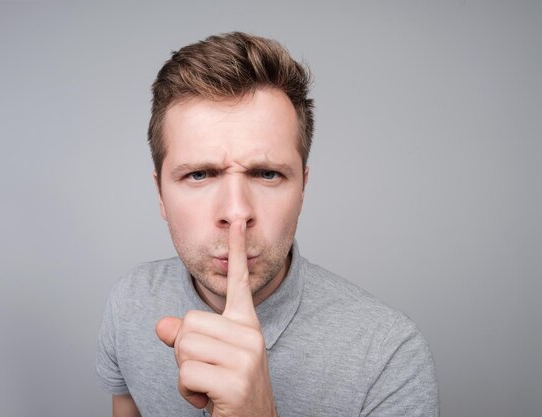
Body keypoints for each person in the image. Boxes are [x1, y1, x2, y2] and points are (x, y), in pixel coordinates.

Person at [96, 32, 439, 417]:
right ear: (160, 193)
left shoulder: (388, 357)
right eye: (199, 175)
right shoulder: (128, 303)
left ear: (303, 189)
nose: (237, 211)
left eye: (266, 174)